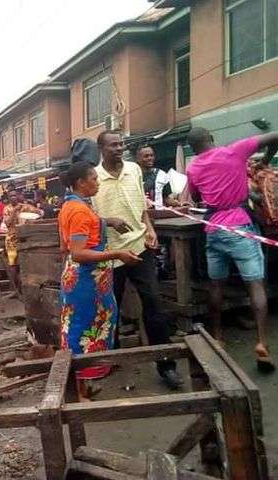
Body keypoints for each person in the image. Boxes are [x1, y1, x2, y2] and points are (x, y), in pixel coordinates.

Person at [186, 127, 278, 372]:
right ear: (211, 139)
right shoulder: (235, 151)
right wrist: (265, 160)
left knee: (215, 284)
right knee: (255, 284)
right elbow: (277, 135)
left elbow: (196, 197)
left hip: (214, 229)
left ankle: (218, 337)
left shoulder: (193, 168)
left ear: (193, 148)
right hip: (241, 227)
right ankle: (262, 343)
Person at [93, 131, 183, 389]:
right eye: (113, 145)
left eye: (121, 144)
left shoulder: (134, 169)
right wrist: (108, 221)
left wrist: (150, 229)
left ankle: (166, 365)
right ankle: (111, 358)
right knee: (112, 308)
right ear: (101, 149)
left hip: (140, 246)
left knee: (153, 302)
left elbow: (142, 206)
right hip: (111, 254)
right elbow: (87, 216)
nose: (119, 148)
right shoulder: (93, 177)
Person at [59, 162, 140, 399]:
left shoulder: (71, 205)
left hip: (82, 279)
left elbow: (66, 247)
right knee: (83, 330)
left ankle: (83, 385)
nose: (97, 182)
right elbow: (78, 253)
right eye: (94, 178)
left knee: (81, 327)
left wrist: (106, 221)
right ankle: (78, 390)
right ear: (80, 183)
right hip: (86, 281)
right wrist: (117, 254)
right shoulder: (79, 211)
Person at [3, 190, 42, 289]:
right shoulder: (7, 209)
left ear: (18, 196)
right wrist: (14, 211)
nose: (13, 197)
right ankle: (15, 289)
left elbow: (39, 212)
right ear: (8, 198)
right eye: (11, 196)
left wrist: (34, 214)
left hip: (24, 238)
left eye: (15, 195)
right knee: (12, 263)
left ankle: (26, 286)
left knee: (25, 261)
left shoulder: (25, 206)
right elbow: (7, 223)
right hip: (12, 239)